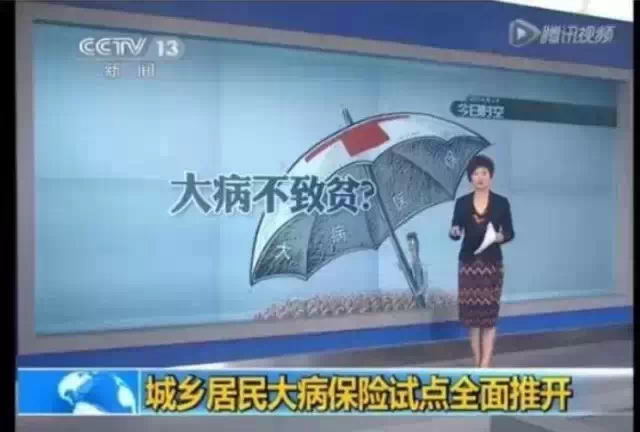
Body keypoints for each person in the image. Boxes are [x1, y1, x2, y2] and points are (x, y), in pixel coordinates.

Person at [449, 155, 514, 368]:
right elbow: (455, 229)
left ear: (490, 176)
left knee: (488, 318)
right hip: (468, 265)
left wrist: (498, 237)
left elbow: (510, 232)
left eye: (484, 173)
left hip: (491, 264)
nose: (480, 177)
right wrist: (454, 231)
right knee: (473, 320)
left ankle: (485, 365)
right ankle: (477, 363)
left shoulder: (501, 203)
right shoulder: (462, 203)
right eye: (476, 173)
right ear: (471, 177)